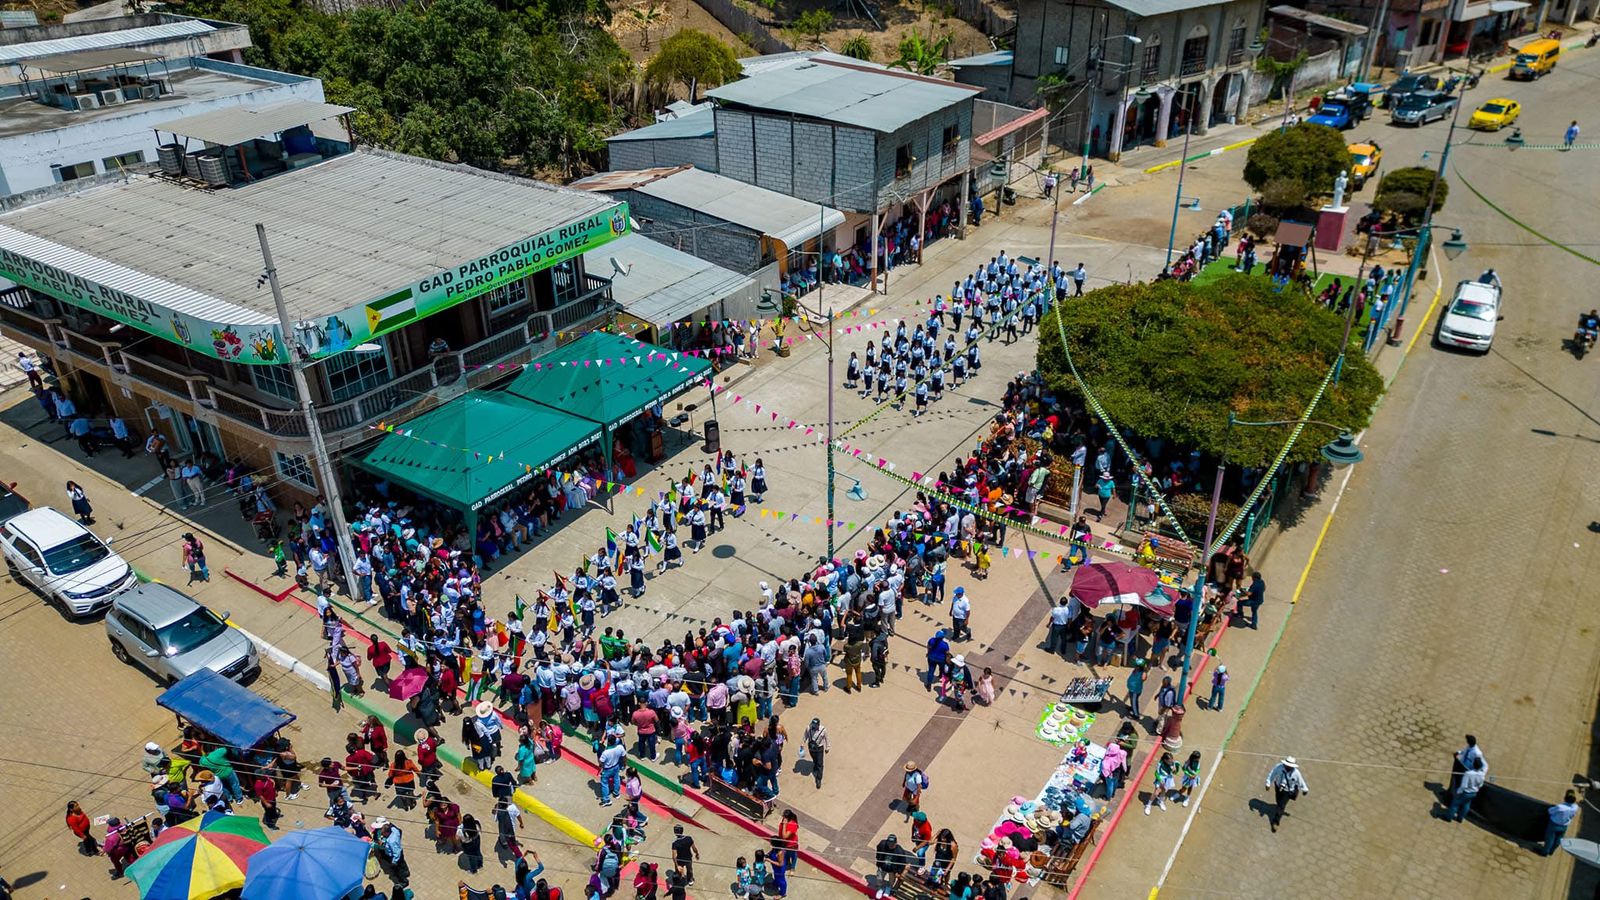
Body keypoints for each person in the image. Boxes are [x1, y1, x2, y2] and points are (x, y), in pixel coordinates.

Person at [1265, 757, 1309, 832]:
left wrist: (1304, 789)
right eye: (1286, 765)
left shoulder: (1296, 773)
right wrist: (1268, 783)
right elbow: (1272, 774)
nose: (1287, 767)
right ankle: (1279, 808)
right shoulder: (1279, 767)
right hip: (1278, 787)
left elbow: (1301, 781)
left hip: (1287, 791)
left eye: (1289, 766)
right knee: (1278, 801)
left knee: (1281, 806)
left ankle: (1275, 822)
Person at [1448, 757, 1485, 822]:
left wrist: (1458, 792)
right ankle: (1460, 818)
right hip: (1473, 793)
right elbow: (1480, 785)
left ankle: (1448, 817)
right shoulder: (1482, 774)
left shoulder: (1468, 773)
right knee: (1466, 805)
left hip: (1465, 792)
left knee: (1455, 804)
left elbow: (1463, 785)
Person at [1544, 790, 1580, 855]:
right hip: (1564, 826)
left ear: (1565, 798)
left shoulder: (1560, 807)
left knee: (1550, 839)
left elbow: (1550, 811)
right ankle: (1551, 851)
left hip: (1554, 825)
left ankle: (1545, 852)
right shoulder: (1575, 807)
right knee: (1558, 840)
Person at [874, 834, 910, 899]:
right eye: (889, 843)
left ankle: (888, 888)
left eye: (892, 844)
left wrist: (898, 872)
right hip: (882, 866)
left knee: (891, 881)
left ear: (896, 843)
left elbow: (902, 863)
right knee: (879, 879)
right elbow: (878, 850)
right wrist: (878, 859)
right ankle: (880, 888)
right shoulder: (882, 844)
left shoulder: (900, 852)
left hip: (892, 870)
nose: (890, 845)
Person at [805, 718, 829, 788]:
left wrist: (827, 747)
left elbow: (827, 739)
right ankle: (815, 765)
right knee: (814, 758)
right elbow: (805, 736)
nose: (813, 726)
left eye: (815, 725)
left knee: (820, 764)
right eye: (813, 724)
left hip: (819, 748)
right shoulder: (808, 728)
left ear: (818, 725)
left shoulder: (823, 730)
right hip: (811, 747)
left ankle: (818, 779)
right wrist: (802, 744)